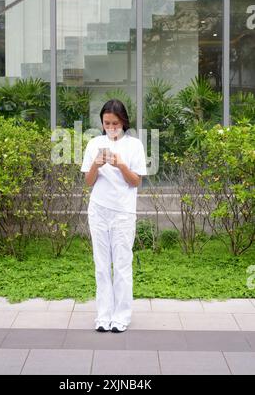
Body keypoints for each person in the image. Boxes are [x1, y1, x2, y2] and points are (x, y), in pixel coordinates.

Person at [81, 99, 147, 333]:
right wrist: (96, 166)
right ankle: (103, 315)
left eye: (115, 123)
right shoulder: (94, 144)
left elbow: (136, 181)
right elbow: (88, 182)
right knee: (101, 265)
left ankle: (121, 316)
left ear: (124, 122)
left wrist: (120, 165)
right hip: (98, 211)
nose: (110, 127)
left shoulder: (134, 146)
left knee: (121, 265)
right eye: (106, 123)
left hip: (123, 213)